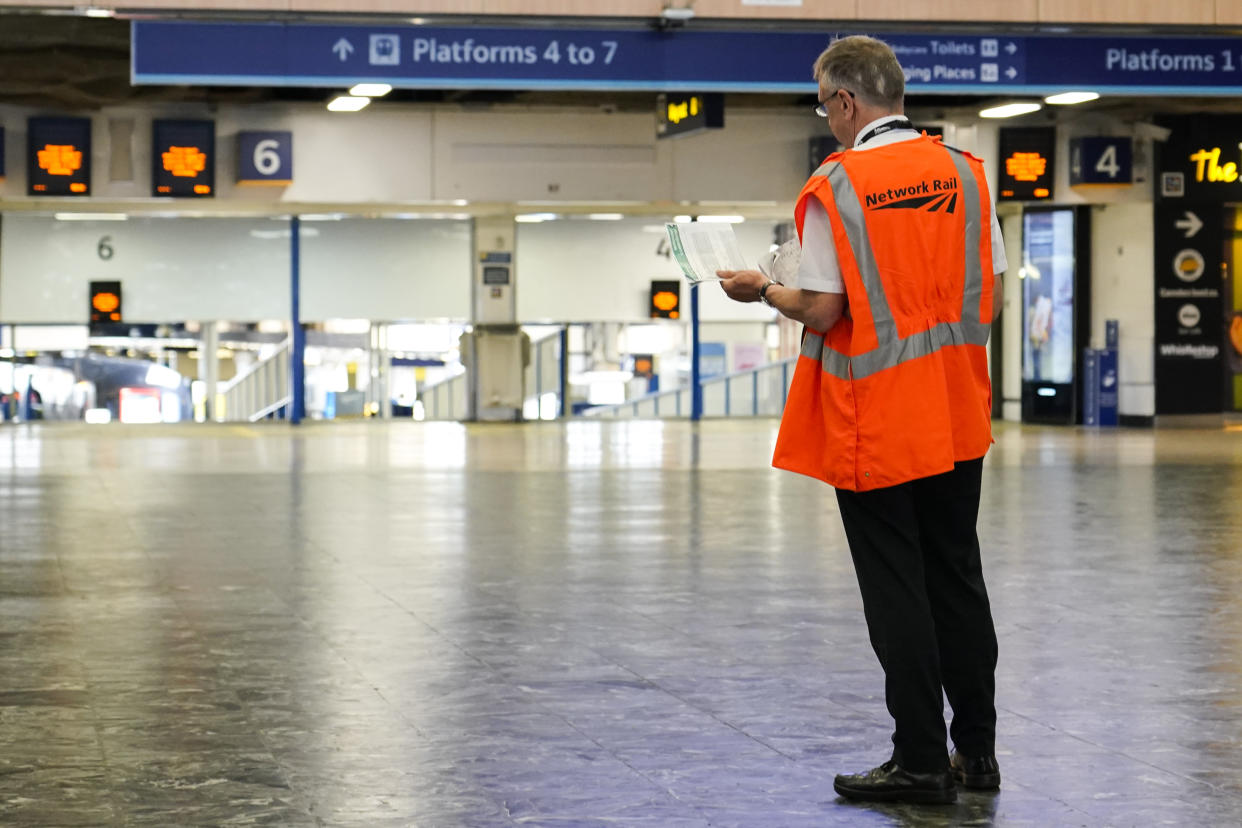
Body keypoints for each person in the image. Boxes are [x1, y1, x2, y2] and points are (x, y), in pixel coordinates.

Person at [718, 35, 1006, 805]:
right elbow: (993, 297)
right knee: (957, 577)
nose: (828, 119)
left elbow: (822, 307)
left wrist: (762, 290)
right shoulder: (967, 176)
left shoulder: (838, 185)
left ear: (845, 101)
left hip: (874, 418)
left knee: (896, 588)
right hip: (956, 410)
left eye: (825, 105)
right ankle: (974, 755)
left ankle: (918, 760)